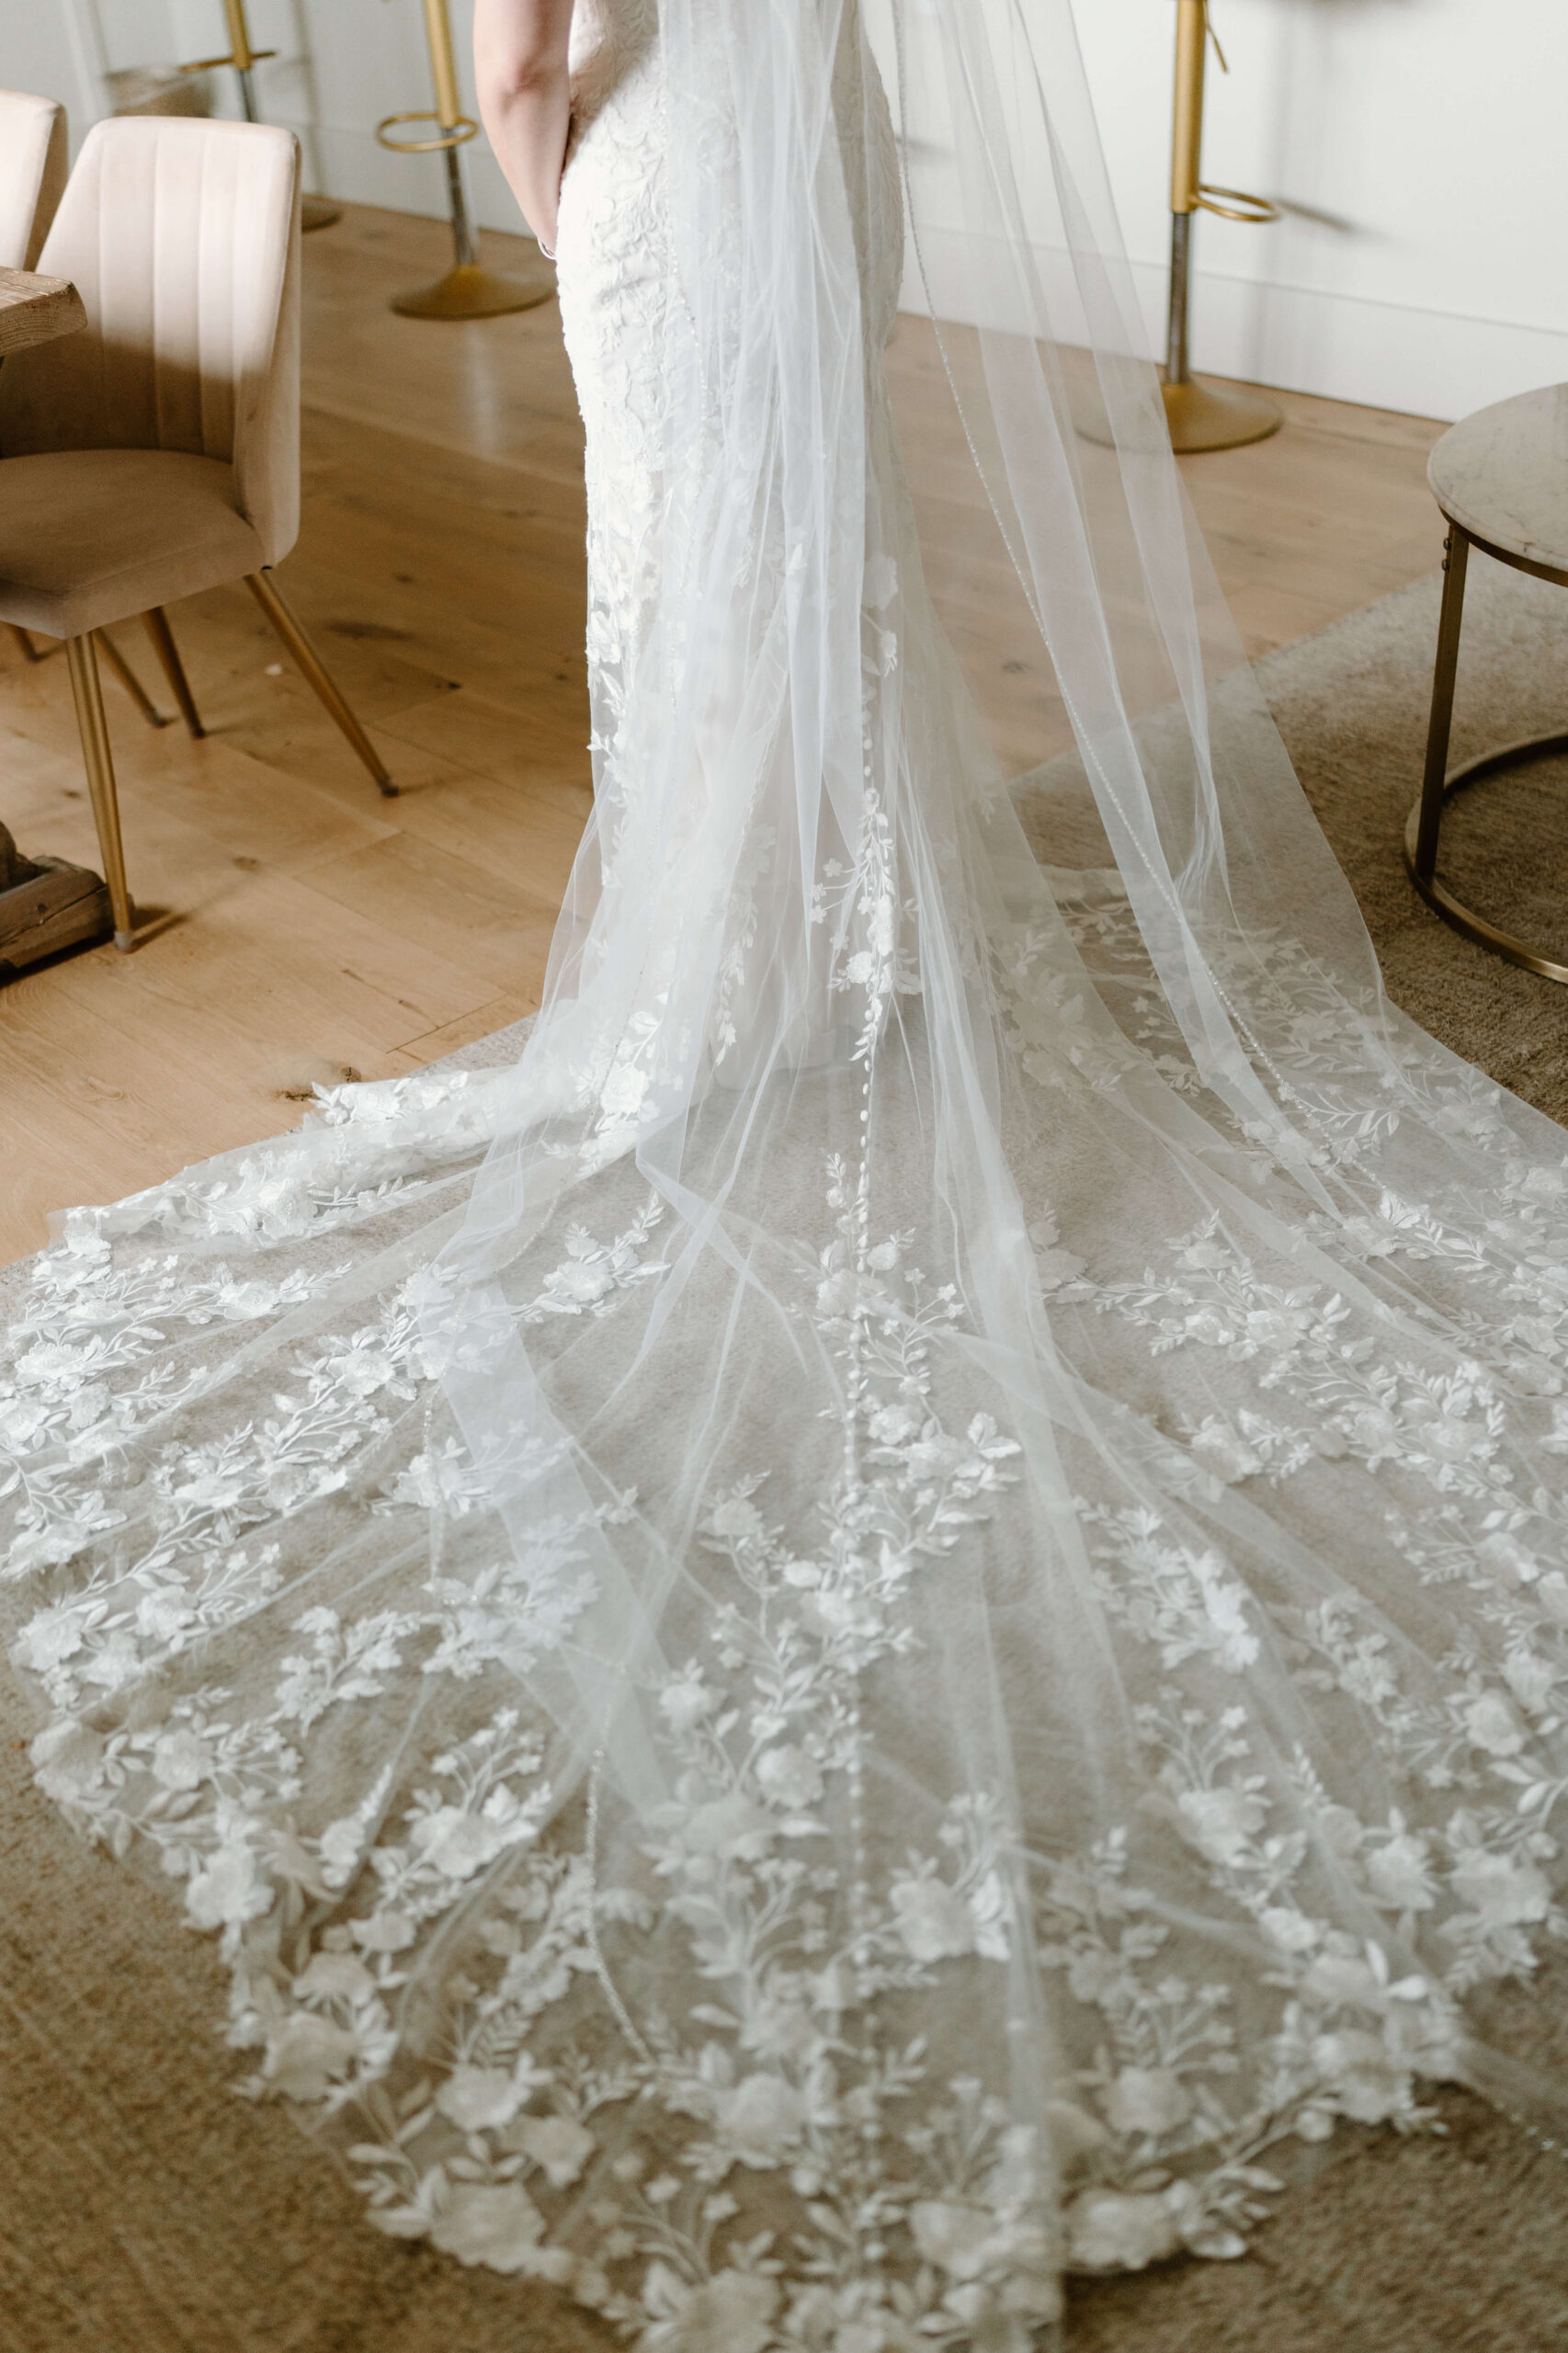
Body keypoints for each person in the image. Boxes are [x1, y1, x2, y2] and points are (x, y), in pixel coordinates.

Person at [6, 1, 1568, 2340]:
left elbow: (523, 70)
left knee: (694, 579)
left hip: (657, 186)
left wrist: (562, 216)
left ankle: (720, 970)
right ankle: (831, 921)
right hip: (818, 160)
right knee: (817, 567)